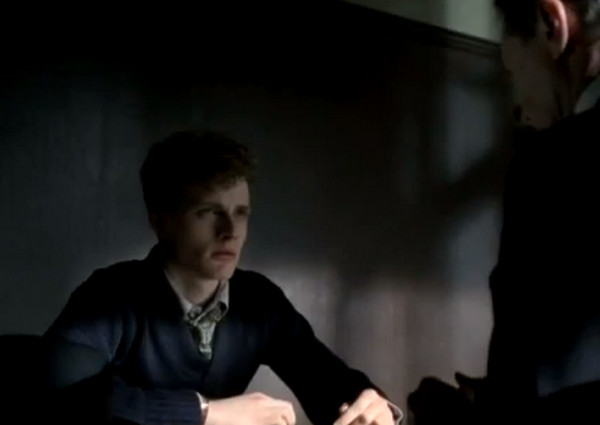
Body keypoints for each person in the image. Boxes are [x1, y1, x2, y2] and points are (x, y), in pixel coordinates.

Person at [44, 130, 402, 425]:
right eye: (208, 212)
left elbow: (327, 380)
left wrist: (374, 407)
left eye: (240, 212)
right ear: (161, 222)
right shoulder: (108, 296)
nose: (230, 231)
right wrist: (205, 412)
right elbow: (53, 396)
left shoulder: (259, 302)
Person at [487, 0, 600, 423]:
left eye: (513, 71)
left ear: (552, 23)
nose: (518, 104)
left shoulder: (547, 168)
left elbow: (516, 389)